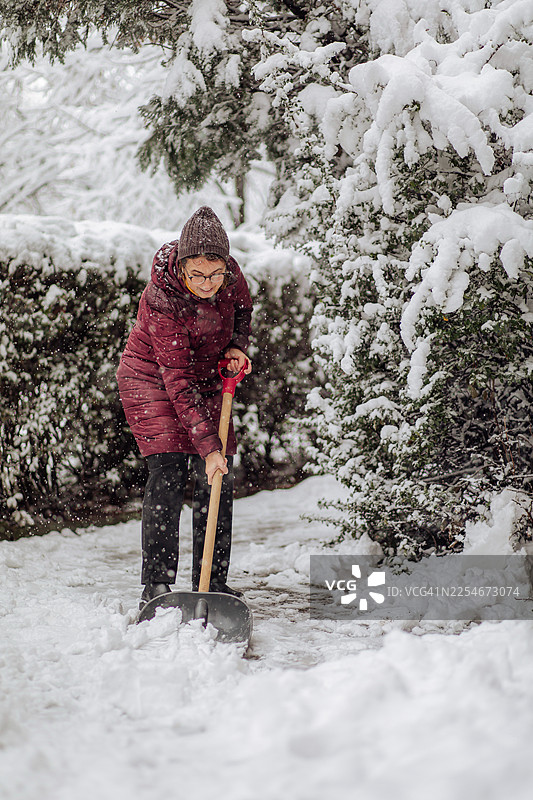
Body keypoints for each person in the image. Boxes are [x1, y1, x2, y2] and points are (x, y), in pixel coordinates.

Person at [116, 206, 252, 607]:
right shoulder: (162, 298)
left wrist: (236, 346)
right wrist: (208, 447)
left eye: (215, 274)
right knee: (170, 470)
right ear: (181, 265)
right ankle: (156, 583)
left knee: (218, 478)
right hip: (152, 379)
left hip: (207, 377)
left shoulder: (230, 275)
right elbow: (176, 381)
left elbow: (243, 310)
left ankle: (212, 580)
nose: (207, 283)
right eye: (197, 275)